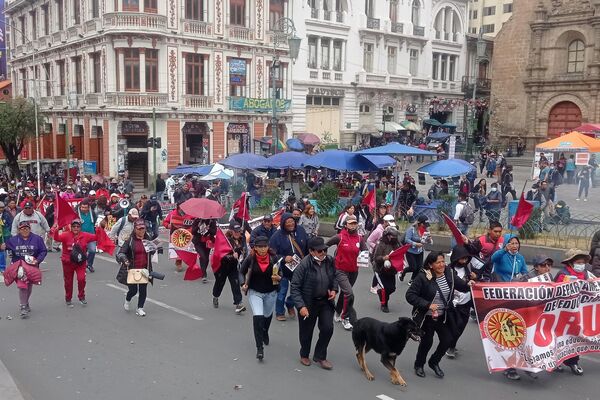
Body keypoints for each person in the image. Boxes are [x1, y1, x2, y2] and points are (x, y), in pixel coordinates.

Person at [406, 251, 472, 379]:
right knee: (427, 342)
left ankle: (434, 362)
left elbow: (461, 286)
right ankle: (419, 365)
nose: (442, 265)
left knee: (447, 340)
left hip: (444, 316)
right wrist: (427, 305)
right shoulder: (423, 277)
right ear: (431, 265)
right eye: (438, 262)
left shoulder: (450, 273)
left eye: (443, 261)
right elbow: (410, 295)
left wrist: (469, 285)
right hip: (427, 317)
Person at [290, 236, 338, 370]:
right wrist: (301, 306)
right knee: (306, 332)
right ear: (311, 252)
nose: (323, 253)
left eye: (324, 250)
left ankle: (320, 356)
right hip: (308, 303)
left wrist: (334, 289)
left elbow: (334, 276)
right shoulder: (304, 265)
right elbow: (294, 287)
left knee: (328, 328)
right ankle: (304, 354)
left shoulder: (329, 261)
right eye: (319, 251)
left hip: (325, 302)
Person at [490, 234, 527, 381]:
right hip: (502, 296)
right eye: (511, 243)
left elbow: (525, 271)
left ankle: (514, 362)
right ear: (506, 244)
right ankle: (508, 365)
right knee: (507, 331)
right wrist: (504, 250)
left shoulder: (520, 258)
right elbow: (493, 259)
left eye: (516, 243)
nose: (514, 246)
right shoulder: (501, 256)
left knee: (516, 330)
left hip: (516, 296)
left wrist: (522, 277)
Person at [240, 236, 282, 361]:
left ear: (268, 247)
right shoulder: (251, 258)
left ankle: (265, 332)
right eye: (260, 247)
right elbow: (241, 272)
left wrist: (279, 278)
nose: (262, 249)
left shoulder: (274, 258)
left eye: (265, 246)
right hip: (255, 292)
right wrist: (243, 284)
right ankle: (259, 348)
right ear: (255, 248)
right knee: (258, 317)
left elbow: (281, 273)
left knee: (267, 315)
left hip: (271, 292)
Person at [554, 249, 596, 375]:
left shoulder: (586, 274)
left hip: (578, 312)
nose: (581, 264)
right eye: (578, 262)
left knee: (575, 337)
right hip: (563, 312)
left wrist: (590, 284)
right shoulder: (563, 273)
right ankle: (556, 361)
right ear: (571, 263)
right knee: (560, 337)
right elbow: (555, 291)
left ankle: (573, 362)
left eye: (583, 262)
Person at [325, 215, 367, 330]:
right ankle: (345, 318)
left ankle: (338, 312)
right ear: (346, 225)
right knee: (349, 293)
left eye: (354, 223)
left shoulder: (359, 239)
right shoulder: (339, 237)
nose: (353, 225)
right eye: (350, 223)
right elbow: (324, 245)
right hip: (340, 270)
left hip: (354, 271)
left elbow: (365, 251)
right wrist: (325, 259)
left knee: (345, 293)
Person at [51, 219, 102, 307]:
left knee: (81, 279)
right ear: (71, 227)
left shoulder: (85, 235)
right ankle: (68, 298)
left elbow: (97, 237)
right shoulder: (65, 235)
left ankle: (81, 296)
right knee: (68, 282)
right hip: (68, 263)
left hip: (80, 263)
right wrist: (56, 229)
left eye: (78, 226)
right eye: (74, 226)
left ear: (80, 228)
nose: (76, 228)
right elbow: (56, 238)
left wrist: (99, 228)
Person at [269, 212, 308, 321]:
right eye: (288, 222)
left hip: (299, 267)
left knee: (299, 290)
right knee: (282, 291)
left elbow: (307, 244)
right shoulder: (276, 236)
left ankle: (290, 303)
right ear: (283, 224)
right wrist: (284, 257)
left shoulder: (301, 230)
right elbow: (271, 254)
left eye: (292, 222)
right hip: (283, 269)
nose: (290, 224)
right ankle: (279, 312)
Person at [4, 221, 48, 318]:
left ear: (30, 228)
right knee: (22, 285)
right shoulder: (13, 240)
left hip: (32, 266)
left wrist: (38, 260)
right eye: (22, 228)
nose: (24, 230)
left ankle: (26, 301)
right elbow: (5, 247)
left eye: (26, 228)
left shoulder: (37, 239)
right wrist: (3, 247)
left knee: (29, 286)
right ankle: (23, 306)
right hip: (18, 267)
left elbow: (43, 251)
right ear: (19, 230)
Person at [116, 219, 156, 317]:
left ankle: (140, 308)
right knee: (133, 290)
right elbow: (120, 253)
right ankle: (128, 299)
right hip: (132, 269)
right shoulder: (130, 241)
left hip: (144, 269)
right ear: (135, 229)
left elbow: (152, 252)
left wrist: (155, 248)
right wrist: (125, 260)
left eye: (143, 228)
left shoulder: (148, 238)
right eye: (139, 229)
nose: (142, 230)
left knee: (143, 290)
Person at [445, 245, 477, 359]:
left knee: (461, 327)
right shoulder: (448, 270)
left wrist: (475, 277)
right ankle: (450, 347)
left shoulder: (468, 268)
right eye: (461, 258)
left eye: (466, 259)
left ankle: (451, 343)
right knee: (454, 327)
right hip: (452, 305)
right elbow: (451, 282)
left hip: (466, 304)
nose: (464, 261)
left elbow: (475, 282)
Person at [212, 222, 247, 314]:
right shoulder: (226, 241)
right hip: (222, 267)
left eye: (239, 231)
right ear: (231, 231)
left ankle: (238, 303)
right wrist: (231, 256)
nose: (237, 233)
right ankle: (215, 296)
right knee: (220, 284)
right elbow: (221, 255)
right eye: (235, 231)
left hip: (233, 267)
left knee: (235, 284)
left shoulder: (242, 239)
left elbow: (244, 250)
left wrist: (242, 253)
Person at [372, 226, 401, 313]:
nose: (394, 238)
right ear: (387, 236)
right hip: (381, 270)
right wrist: (384, 258)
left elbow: (401, 251)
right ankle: (384, 304)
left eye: (395, 236)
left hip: (391, 270)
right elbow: (376, 258)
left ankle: (381, 293)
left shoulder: (396, 244)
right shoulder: (381, 244)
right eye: (393, 236)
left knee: (392, 288)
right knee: (385, 288)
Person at [400, 215, 432, 283]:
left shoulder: (425, 230)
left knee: (419, 267)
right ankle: (403, 272)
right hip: (410, 251)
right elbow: (407, 240)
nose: (425, 226)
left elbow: (430, 242)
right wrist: (415, 244)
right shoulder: (411, 229)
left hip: (420, 251)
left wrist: (429, 239)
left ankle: (412, 280)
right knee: (413, 267)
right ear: (420, 223)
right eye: (424, 224)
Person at [191, 218, 217, 283]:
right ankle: (204, 274)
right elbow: (193, 232)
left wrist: (209, 229)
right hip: (198, 242)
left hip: (208, 242)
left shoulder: (212, 221)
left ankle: (203, 271)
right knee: (203, 257)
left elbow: (214, 232)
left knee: (206, 258)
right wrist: (198, 226)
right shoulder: (196, 221)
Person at [76, 199, 98, 273]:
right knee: (81, 252)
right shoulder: (76, 214)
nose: (84, 209)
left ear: (88, 207)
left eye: (86, 207)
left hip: (91, 235)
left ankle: (89, 264)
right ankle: (81, 265)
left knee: (92, 250)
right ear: (80, 207)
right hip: (80, 236)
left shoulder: (92, 213)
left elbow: (95, 221)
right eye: (82, 207)